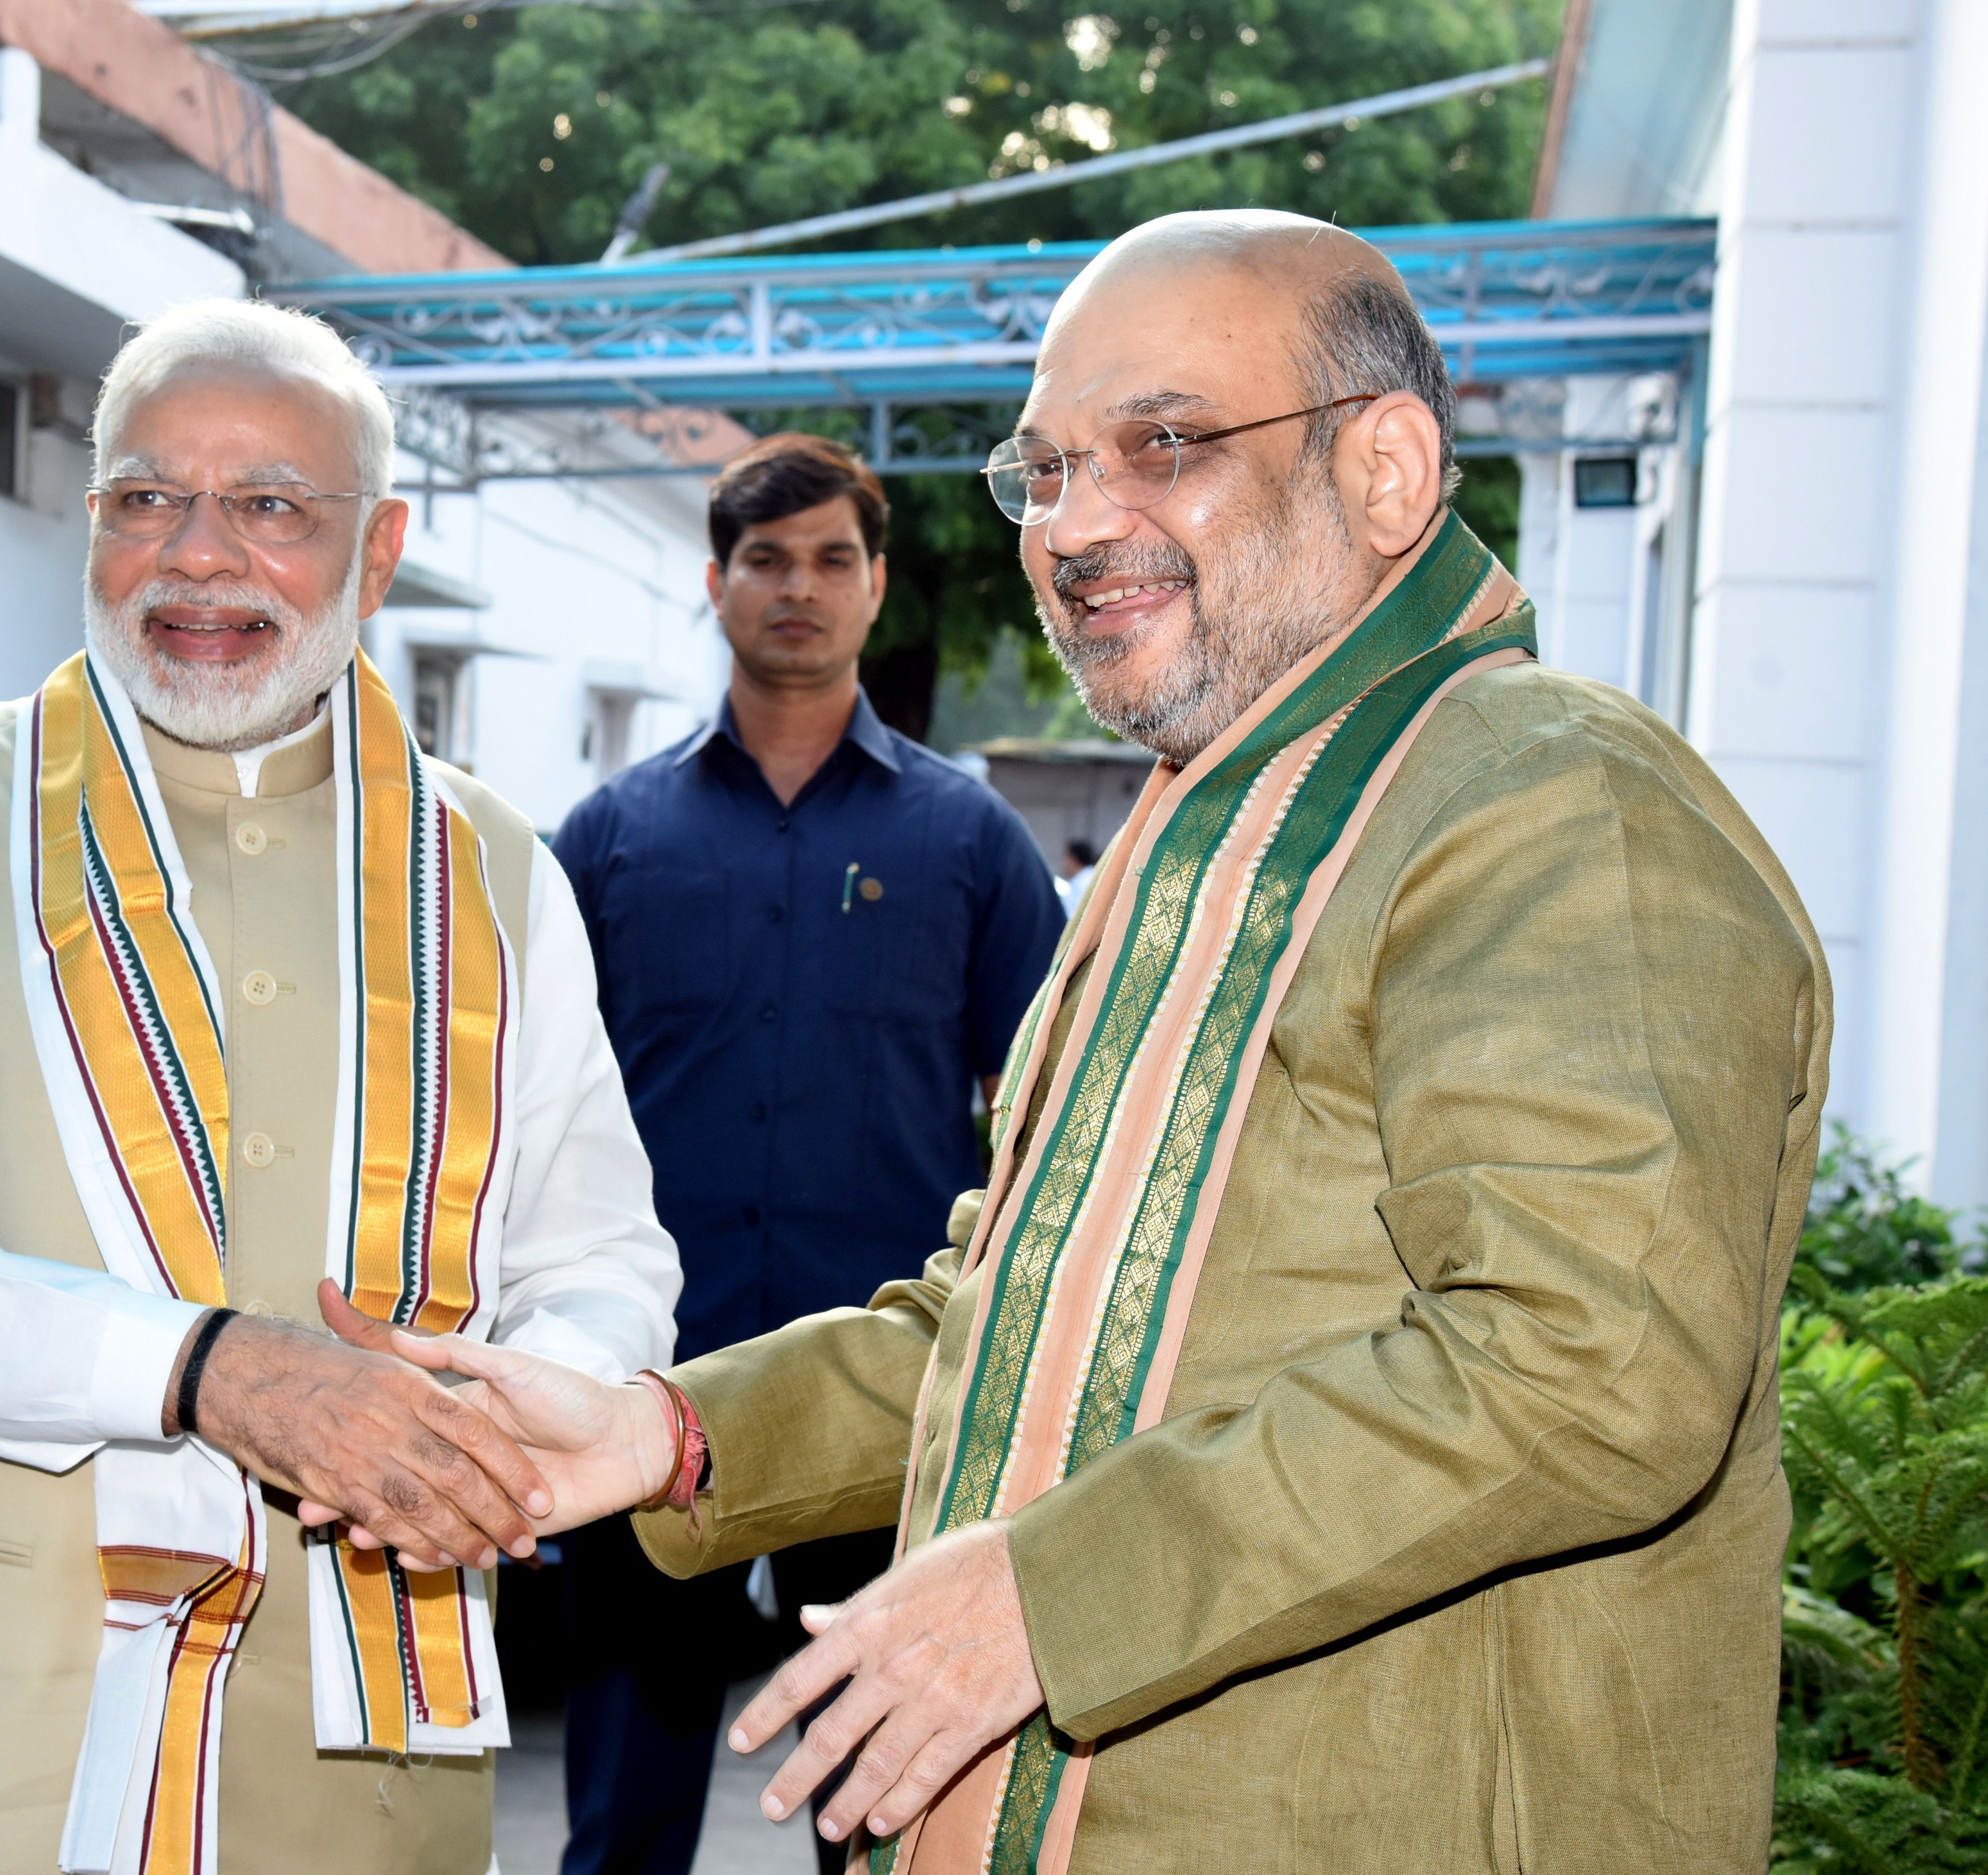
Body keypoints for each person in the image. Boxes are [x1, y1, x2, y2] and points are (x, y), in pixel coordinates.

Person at [313, 210, 1831, 1871]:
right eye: (1041, 472)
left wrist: (1047, 1597)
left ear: (1385, 471)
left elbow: (1588, 1365)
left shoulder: (1550, 801)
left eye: (1162, 444)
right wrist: (663, 1433)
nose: (1075, 526)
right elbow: (1007, 1327)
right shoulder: (1198, 834)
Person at [0, 300, 681, 1875]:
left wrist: (494, 1423)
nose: (200, 556)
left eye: (273, 507)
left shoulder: (498, 869)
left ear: (379, 554)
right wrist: (210, 1368)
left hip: (352, 1778)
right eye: (145, 497)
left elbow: (602, 1261)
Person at [547, 434, 1064, 1875]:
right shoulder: (607, 839)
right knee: (621, 1818)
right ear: (714, 582)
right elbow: (535, 1108)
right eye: (766, 559)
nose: (799, 587)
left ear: (876, 583)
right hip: (654, 1393)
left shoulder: (967, 839)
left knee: (881, 1811)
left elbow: (1048, 1108)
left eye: (832, 557)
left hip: (885, 1411)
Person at [1055, 836, 1098, 911]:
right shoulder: (1094, 876)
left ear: (1074, 859)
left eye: (1065, 857)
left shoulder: (1081, 884)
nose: (1063, 862)